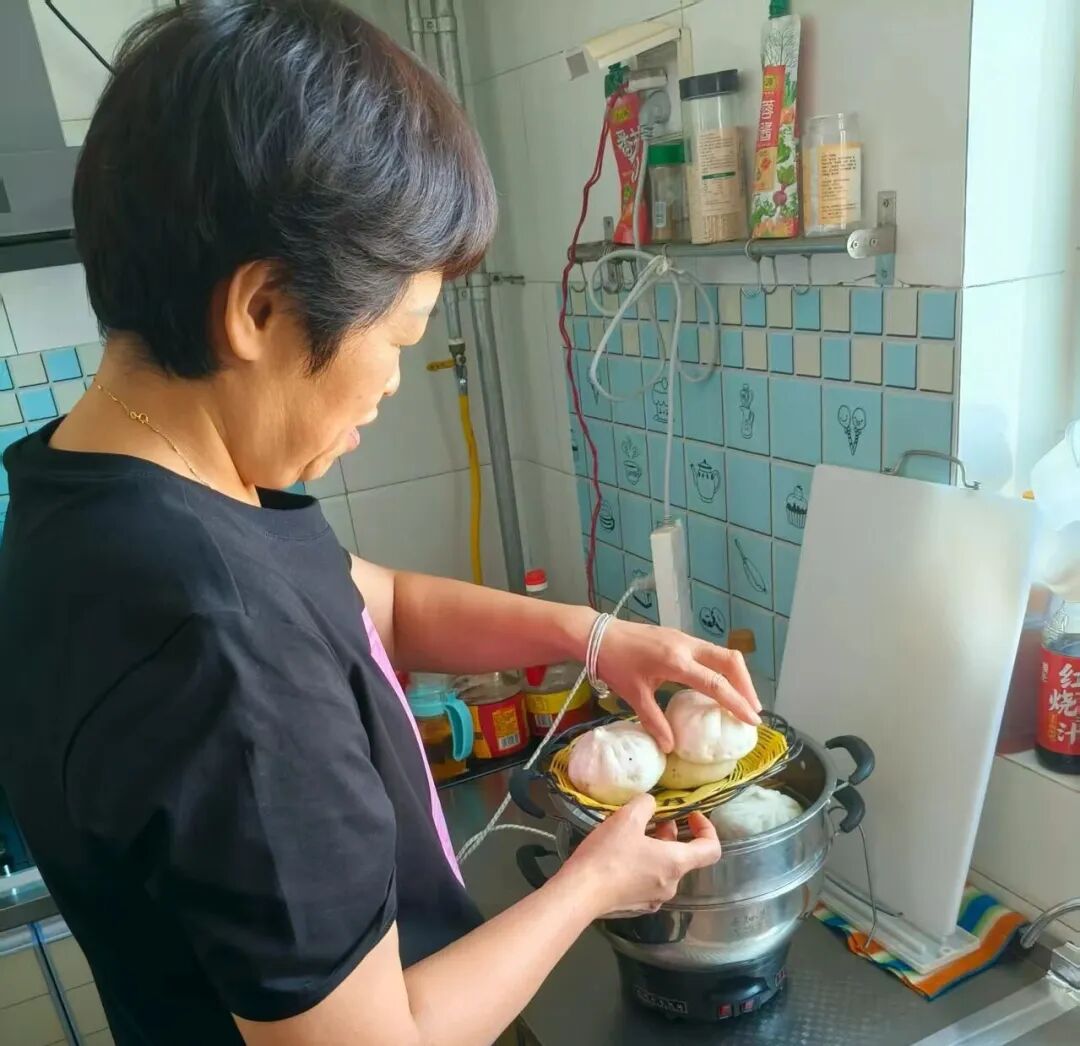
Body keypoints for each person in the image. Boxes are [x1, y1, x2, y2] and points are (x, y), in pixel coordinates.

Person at [0, 3, 761, 1044]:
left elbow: (377, 606)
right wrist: (592, 883)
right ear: (259, 308)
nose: (394, 382)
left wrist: (591, 636)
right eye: (399, 336)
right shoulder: (221, 642)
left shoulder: (101, 492)